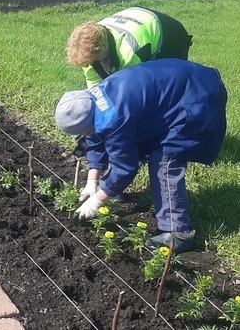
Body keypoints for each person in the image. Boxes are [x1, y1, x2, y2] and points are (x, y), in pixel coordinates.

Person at [54, 59, 227, 253]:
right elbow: (95, 138)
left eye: (82, 132)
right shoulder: (92, 101)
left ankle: (179, 233)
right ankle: (111, 192)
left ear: (86, 122)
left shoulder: (115, 117)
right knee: (126, 142)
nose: (84, 137)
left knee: (164, 160)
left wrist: (96, 201)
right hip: (180, 86)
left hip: (197, 96)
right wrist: (91, 182)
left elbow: (124, 166)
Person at [66, 7, 193, 88]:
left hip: (170, 33)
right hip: (136, 16)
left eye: (95, 57)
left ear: (103, 44)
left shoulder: (129, 51)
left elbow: (135, 88)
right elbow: (95, 85)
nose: (92, 62)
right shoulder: (90, 48)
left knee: (170, 81)